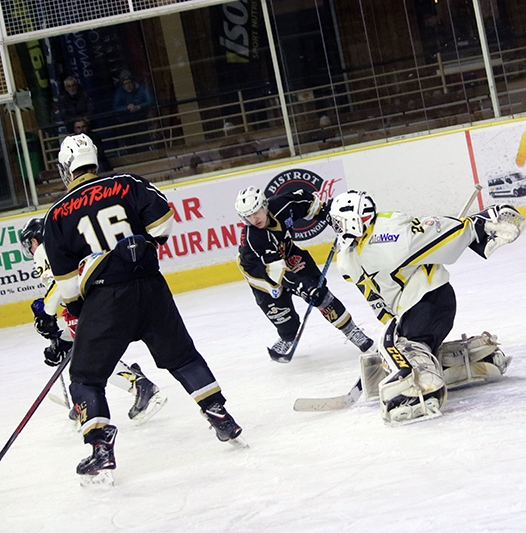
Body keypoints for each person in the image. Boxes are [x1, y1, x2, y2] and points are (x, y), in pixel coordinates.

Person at [43, 134, 244, 485]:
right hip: (150, 287)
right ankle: (220, 415)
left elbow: (69, 288)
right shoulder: (128, 183)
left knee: (86, 378)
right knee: (183, 358)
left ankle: (101, 448)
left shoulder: (56, 214)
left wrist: (83, 311)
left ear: (66, 169)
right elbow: (162, 227)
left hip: (105, 300)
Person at [327, 191, 526, 424]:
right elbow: (371, 292)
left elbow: (435, 232)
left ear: (352, 220)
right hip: (410, 309)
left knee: (401, 348)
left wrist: (479, 223)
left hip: (431, 300)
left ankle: (418, 389)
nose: (336, 227)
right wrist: (391, 319)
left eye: (338, 221)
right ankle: (473, 359)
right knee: (394, 346)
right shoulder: (349, 256)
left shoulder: (390, 232)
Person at [20, 217, 166, 425]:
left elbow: (60, 285)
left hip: (87, 305)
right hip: (106, 296)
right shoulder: (66, 240)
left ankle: (138, 384)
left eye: (29, 244)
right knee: (86, 352)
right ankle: (85, 400)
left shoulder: (44, 249)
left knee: (92, 358)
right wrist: (60, 340)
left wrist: (46, 312)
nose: (31, 250)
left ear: (35, 239)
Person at [235, 185, 374, 363]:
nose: (253, 219)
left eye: (256, 212)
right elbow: (276, 272)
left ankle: (351, 330)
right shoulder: (253, 238)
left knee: (320, 294)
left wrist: (329, 215)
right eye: (247, 216)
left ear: (264, 205)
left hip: (287, 253)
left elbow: (311, 204)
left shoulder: (283, 205)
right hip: (260, 274)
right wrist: (301, 286)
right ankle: (287, 336)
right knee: (283, 316)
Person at [112, 70, 156, 152]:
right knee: (130, 146)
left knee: (144, 144)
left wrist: (139, 107)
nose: (128, 86)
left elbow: (151, 101)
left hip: (141, 121)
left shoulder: (142, 88)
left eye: (129, 83)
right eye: (125, 84)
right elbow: (115, 108)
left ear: (133, 82)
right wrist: (127, 108)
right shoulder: (119, 92)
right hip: (126, 123)